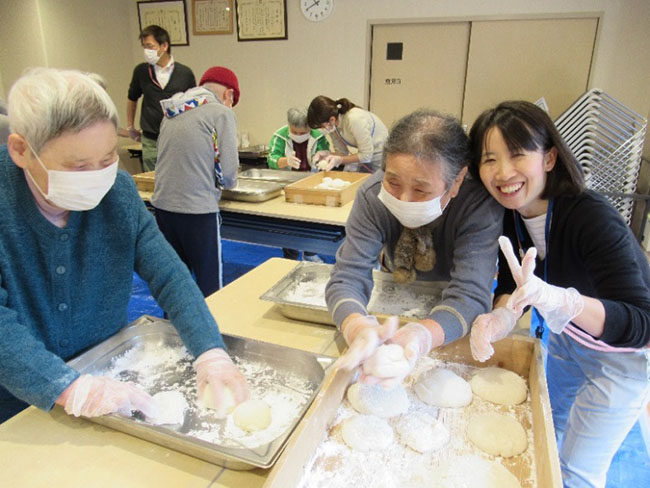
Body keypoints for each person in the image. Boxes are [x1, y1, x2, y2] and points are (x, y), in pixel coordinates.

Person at [0, 68, 249, 423]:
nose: (97, 175)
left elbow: (169, 274)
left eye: (106, 159)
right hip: (15, 404)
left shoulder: (117, 193)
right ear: (22, 151)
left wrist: (210, 351)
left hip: (108, 377)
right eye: (78, 165)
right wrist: (69, 388)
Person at [467, 100, 650, 488]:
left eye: (517, 155)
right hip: (567, 340)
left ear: (549, 158)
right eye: (489, 160)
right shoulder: (510, 212)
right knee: (548, 431)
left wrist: (563, 301)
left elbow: (642, 323)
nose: (503, 173)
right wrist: (500, 316)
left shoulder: (590, 217)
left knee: (575, 473)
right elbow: (510, 286)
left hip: (622, 359)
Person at [326, 109, 503, 384]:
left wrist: (421, 337)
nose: (405, 199)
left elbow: (471, 294)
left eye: (421, 190)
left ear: (456, 181)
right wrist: (356, 326)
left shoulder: (477, 205)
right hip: (397, 294)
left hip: (451, 305)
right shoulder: (373, 195)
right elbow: (347, 276)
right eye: (393, 182)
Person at [151, 66, 240, 298]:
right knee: (209, 287)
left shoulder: (171, 110)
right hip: (197, 211)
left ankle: (172, 332)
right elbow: (229, 176)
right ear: (228, 95)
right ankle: (208, 334)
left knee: (174, 280)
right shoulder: (221, 113)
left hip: (162, 207)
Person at [126, 25, 196, 172]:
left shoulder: (184, 73)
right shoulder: (141, 71)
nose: (146, 51)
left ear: (164, 46)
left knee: (178, 176)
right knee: (153, 180)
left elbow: (193, 105)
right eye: (144, 47)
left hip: (177, 137)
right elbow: (132, 99)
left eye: (150, 46)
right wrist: (130, 126)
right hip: (151, 137)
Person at [267, 107, 330, 261]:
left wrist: (322, 161)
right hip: (287, 185)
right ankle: (291, 257)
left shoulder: (318, 136)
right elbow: (271, 159)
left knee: (311, 220)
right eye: (295, 132)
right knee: (289, 223)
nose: (299, 136)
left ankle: (310, 253)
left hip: (311, 183)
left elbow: (327, 153)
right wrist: (285, 161)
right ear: (289, 126)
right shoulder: (280, 136)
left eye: (303, 133)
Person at [307, 95, 388, 173]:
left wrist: (340, 160)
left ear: (331, 119)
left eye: (321, 126)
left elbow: (366, 156)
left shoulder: (354, 119)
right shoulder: (333, 126)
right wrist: (327, 154)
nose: (321, 130)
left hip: (381, 155)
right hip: (367, 156)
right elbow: (342, 152)